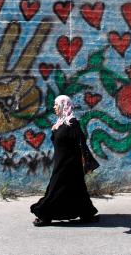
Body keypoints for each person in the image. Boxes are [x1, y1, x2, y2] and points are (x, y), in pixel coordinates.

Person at [30, 95, 99, 226]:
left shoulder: (72, 123)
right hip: (62, 161)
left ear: (63, 105)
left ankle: (45, 215)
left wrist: (88, 162)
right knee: (77, 189)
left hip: (69, 164)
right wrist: (55, 129)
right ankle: (86, 213)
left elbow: (81, 141)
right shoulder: (61, 123)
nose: (54, 107)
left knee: (56, 187)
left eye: (56, 105)